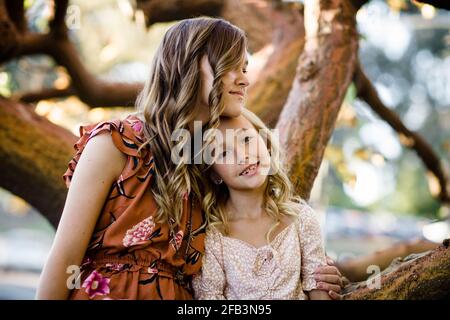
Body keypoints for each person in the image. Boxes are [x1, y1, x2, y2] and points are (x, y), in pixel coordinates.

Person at [36, 17, 343, 300]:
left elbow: (247, 243)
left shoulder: (206, 162)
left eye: (245, 68)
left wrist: (313, 270)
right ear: (189, 65)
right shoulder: (116, 143)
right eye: (230, 67)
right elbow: (65, 258)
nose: (244, 80)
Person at [192, 108, 334, 299]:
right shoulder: (213, 238)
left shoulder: (301, 219)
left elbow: (320, 291)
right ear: (214, 173)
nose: (243, 156)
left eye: (247, 140)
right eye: (224, 153)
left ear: (266, 143)